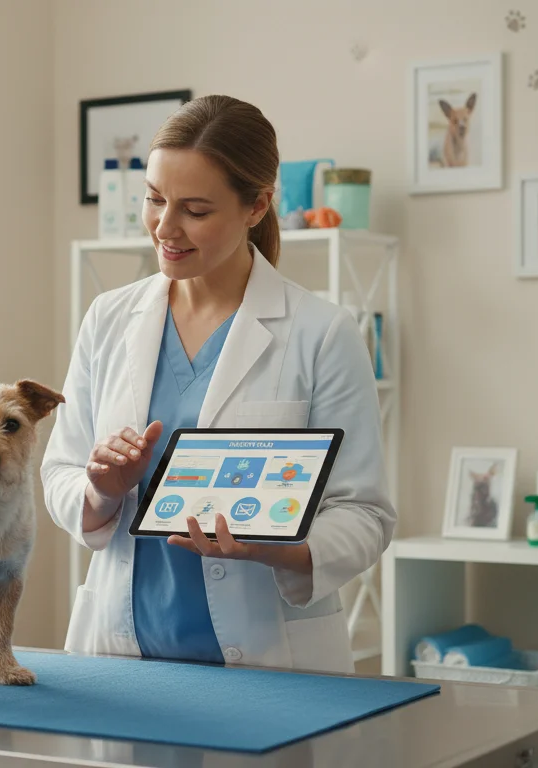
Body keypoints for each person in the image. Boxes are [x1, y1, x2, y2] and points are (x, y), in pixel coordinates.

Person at [41, 94, 395, 673]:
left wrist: (282, 547)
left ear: (257, 206)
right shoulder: (108, 318)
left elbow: (366, 515)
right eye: (155, 199)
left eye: (196, 210)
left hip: (269, 664)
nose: (165, 227)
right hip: (120, 655)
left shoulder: (323, 334)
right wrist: (102, 488)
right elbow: (59, 470)